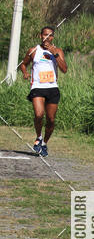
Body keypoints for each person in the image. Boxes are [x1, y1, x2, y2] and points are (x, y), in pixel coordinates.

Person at [19, 27, 67, 157]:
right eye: (45, 35)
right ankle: (39, 137)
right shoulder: (33, 51)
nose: (47, 38)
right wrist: (25, 72)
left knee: (51, 120)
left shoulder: (58, 51)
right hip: (37, 87)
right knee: (39, 114)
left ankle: (44, 143)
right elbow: (23, 64)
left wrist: (55, 54)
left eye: (50, 36)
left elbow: (64, 69)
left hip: (52, 88)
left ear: (53, 38)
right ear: (40, 36)